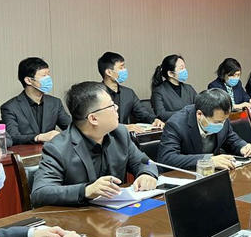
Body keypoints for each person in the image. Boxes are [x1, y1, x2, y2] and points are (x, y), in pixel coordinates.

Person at [31, 81, 159, 207]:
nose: (117, 108)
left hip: (119, 212)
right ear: (93, 118)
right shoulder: (58, 148)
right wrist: (86, 191)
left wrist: (147, 174)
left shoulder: (119, 134)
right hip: (79, 215)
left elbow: (145, 162)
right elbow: (40, 193)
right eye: (111, 106)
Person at [158, 89, 251, 171]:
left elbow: (230, 138)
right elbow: (167, 158)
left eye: (224, 121)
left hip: (212, 174)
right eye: (217, 122)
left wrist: (243, 147)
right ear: (199, 114)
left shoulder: (221, 118)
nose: (222, 124)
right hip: (186, 176)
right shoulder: (176, 124)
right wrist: (208, 160)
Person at [0, 57, 71, 144]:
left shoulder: (55, 103)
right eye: (44, 76)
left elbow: (71, 128)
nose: (48, 79)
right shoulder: (10, 107)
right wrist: (38, 137)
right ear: (28, 80)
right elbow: (12, 137)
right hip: (26, 152)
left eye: (48, 75)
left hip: (52, 150)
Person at [97, 51, 164, 132]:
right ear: (109, 72)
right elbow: (98, 122)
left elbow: (143, 113)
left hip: (125, 137)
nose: (125, 70)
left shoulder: (128, 93)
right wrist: (123, 128)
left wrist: (154, 120)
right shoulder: (96, 94)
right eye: (121, 67)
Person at [150, 54, 198, 121]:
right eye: (181, 68)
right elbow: (161, 114)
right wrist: (185, 113)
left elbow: (199, 106)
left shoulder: (189, 88)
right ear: (170, 73)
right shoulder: (159, 91)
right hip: (172, 125)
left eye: (185, 68)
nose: (185, 71)